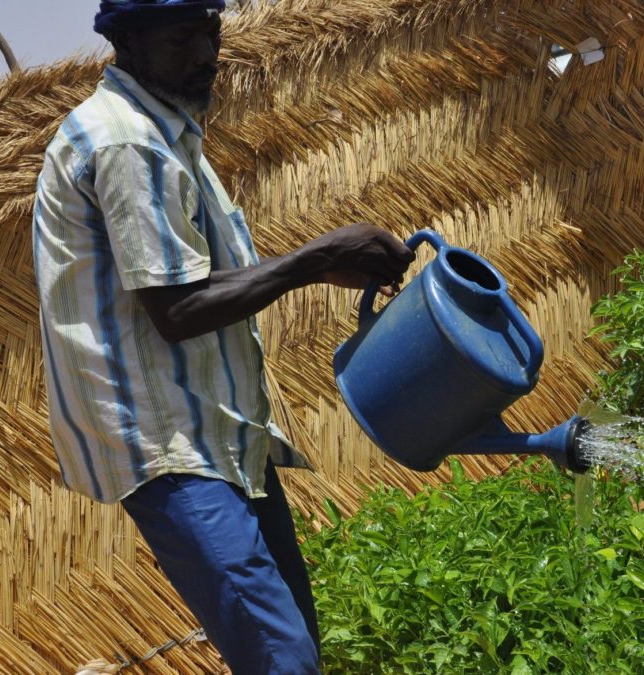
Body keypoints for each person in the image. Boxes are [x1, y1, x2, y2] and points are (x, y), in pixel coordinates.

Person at [32, 2, 416, 672]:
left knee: (291, 641)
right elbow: (177, 309)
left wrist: (322, 266)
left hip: (215, 431)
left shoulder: (169, 137)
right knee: (283, 656)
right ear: (125, 41)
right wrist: (318, 259)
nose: (207, 55)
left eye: (211, 34)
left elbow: (199, 283)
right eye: (183, 38)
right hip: (168, 444)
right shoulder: (127, 142)